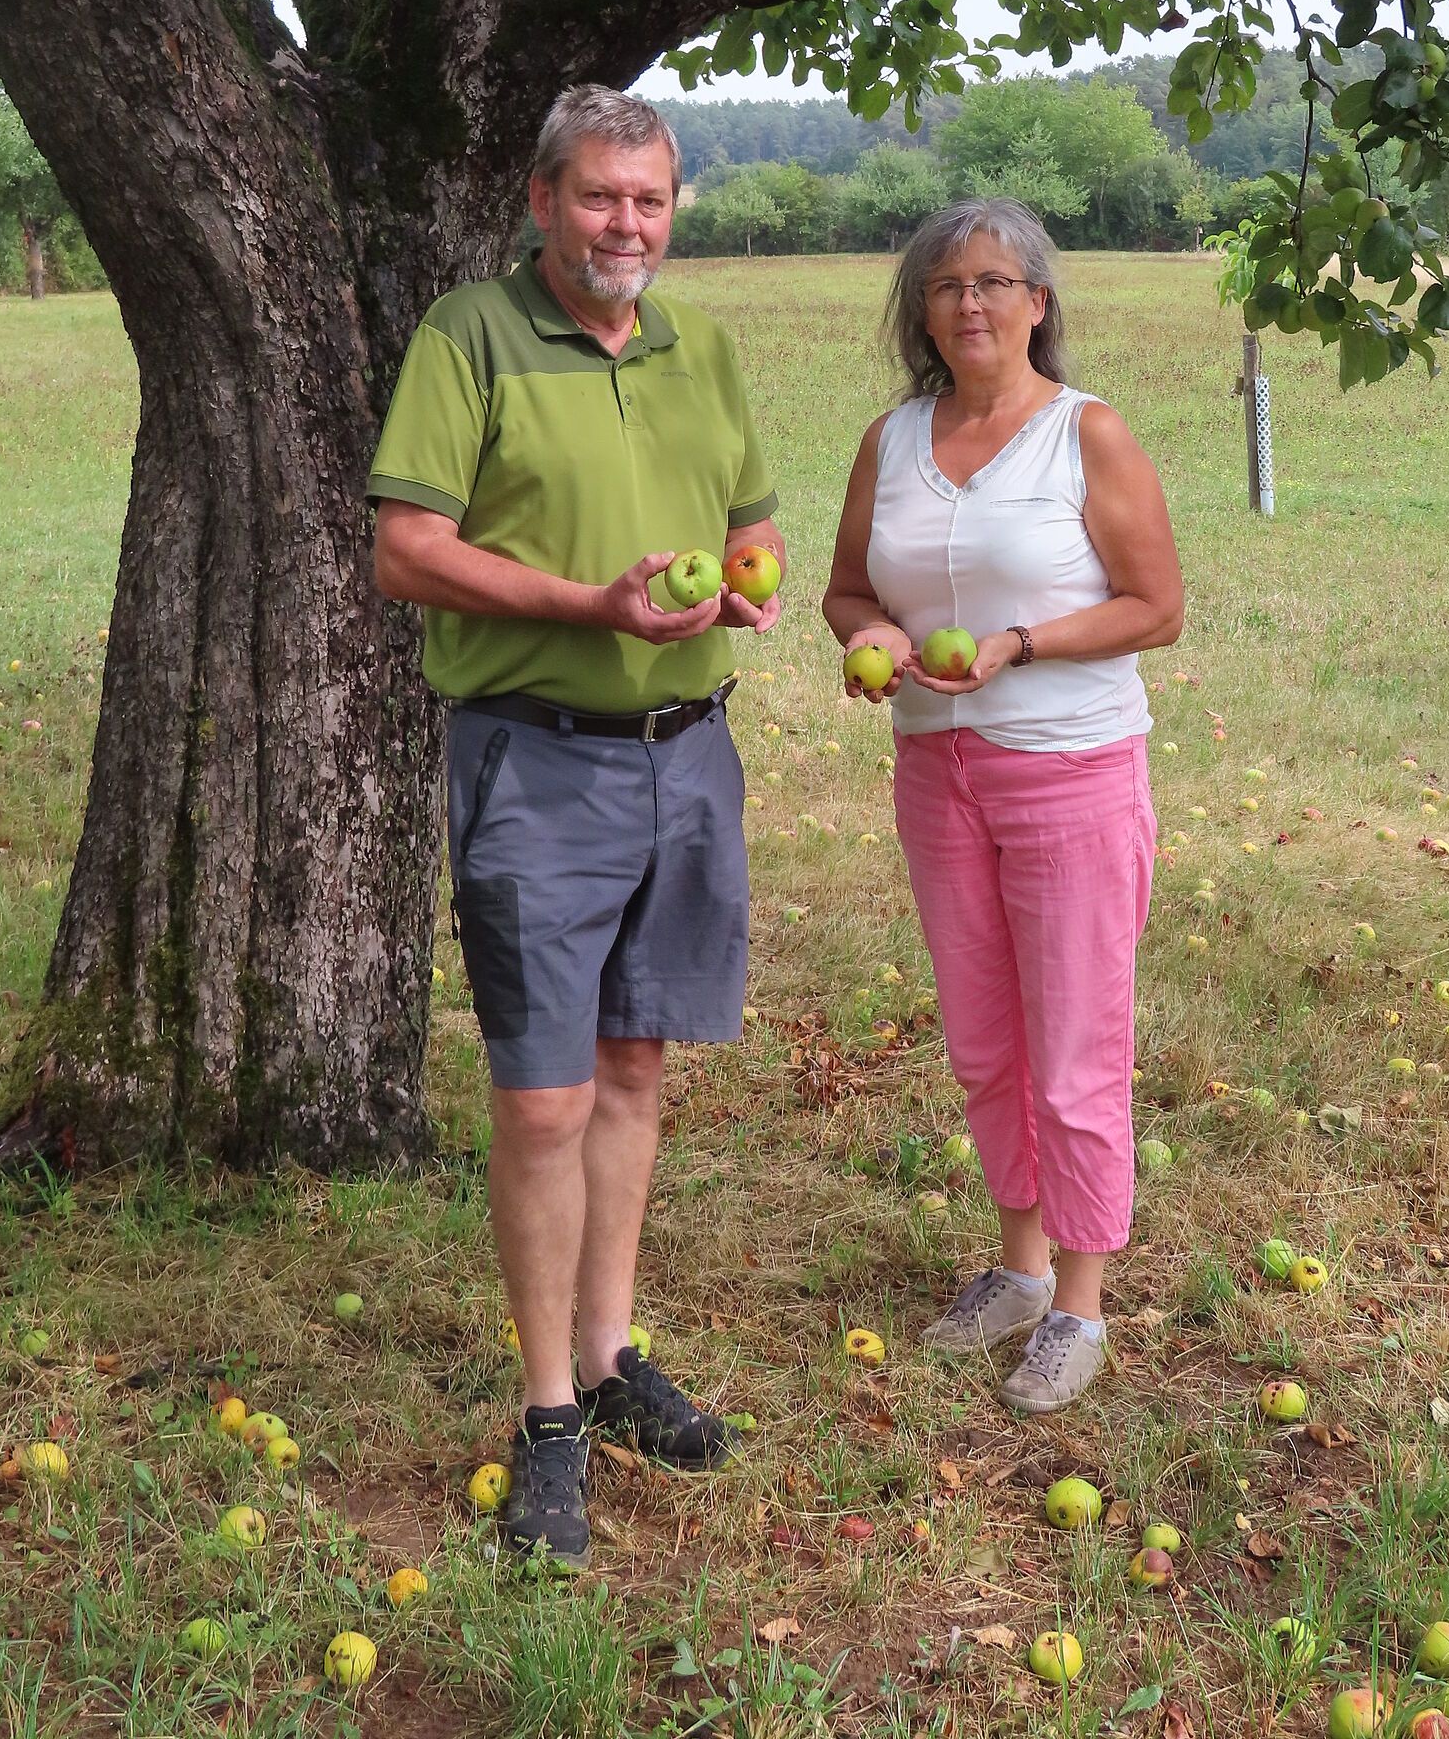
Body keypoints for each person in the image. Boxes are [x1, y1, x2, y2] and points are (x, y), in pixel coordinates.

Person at [368, 86, 783, 1571]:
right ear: (543, 201)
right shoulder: (469, 336)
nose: (627, 226)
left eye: (651, 201)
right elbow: (408, 548)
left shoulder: (702, 346)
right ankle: (546, 1409)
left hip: (689, 754)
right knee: (541, 1096)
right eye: (600, 197)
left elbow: (752, 521)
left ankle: (608, 1362)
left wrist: (749, 582)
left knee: (631, 1067)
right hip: (536, 758)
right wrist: (590, 603)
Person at [822, 198, 1183, 1413]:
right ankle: (1020, 1272)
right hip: (940, 774)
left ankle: (1081, 1306)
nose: (968, 304)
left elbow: (1154, 606)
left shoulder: (1088, 435)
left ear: (1039, 302)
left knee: (1075, 1049)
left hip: (1070, 770)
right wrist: (874, 633)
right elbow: (841, 592)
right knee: (985, 1039)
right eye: (944, 286)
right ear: (921, 313)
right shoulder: (895, 438)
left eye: (993, 281)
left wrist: (1018, 646)